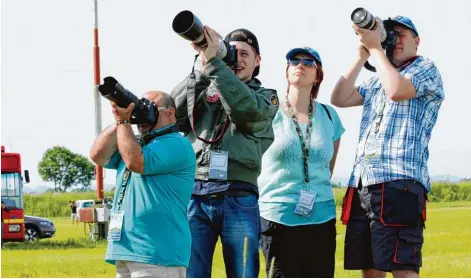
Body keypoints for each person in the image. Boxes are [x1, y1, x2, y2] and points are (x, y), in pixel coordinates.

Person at [331, 16, 445, 278]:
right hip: (363, 183)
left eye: (401, 34)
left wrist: (376, 50)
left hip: (398, 181)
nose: (395, 39)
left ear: (417, 41)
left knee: (402, 267)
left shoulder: (424, 68)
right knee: (370, 269)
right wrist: (362, 55)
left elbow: (396, 89)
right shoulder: (377, 78)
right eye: (389, 34)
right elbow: (339, 97)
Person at [170, 26, 279, 278]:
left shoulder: (266, 97)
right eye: (231, 52)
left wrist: (216, 68)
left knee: (243, 273)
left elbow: (245, 111)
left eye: (244, 54)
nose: (237, 60)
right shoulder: (204, 85)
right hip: (195, 194)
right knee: (190, 273)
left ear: (258, 60)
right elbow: (171, 117)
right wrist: (201, 65)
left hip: (238, 196)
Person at [258, 47, 345, 278]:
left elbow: (328, 167)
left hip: (322, 218)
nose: (300, 65)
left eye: (308, 62)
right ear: (286, 71)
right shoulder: (269, 112)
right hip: (277, 216)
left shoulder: (329, 116)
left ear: (318, 75)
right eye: (294, 61)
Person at [89, 91, 196, 278]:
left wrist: (124, 123)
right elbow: (98, 155)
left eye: (150, 109)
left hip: (158, 252)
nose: (143, 115)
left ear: (170, 113)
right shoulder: (133, 142)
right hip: (127, 248)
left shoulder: (177, 144)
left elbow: (135, 162)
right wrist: (121, 120)